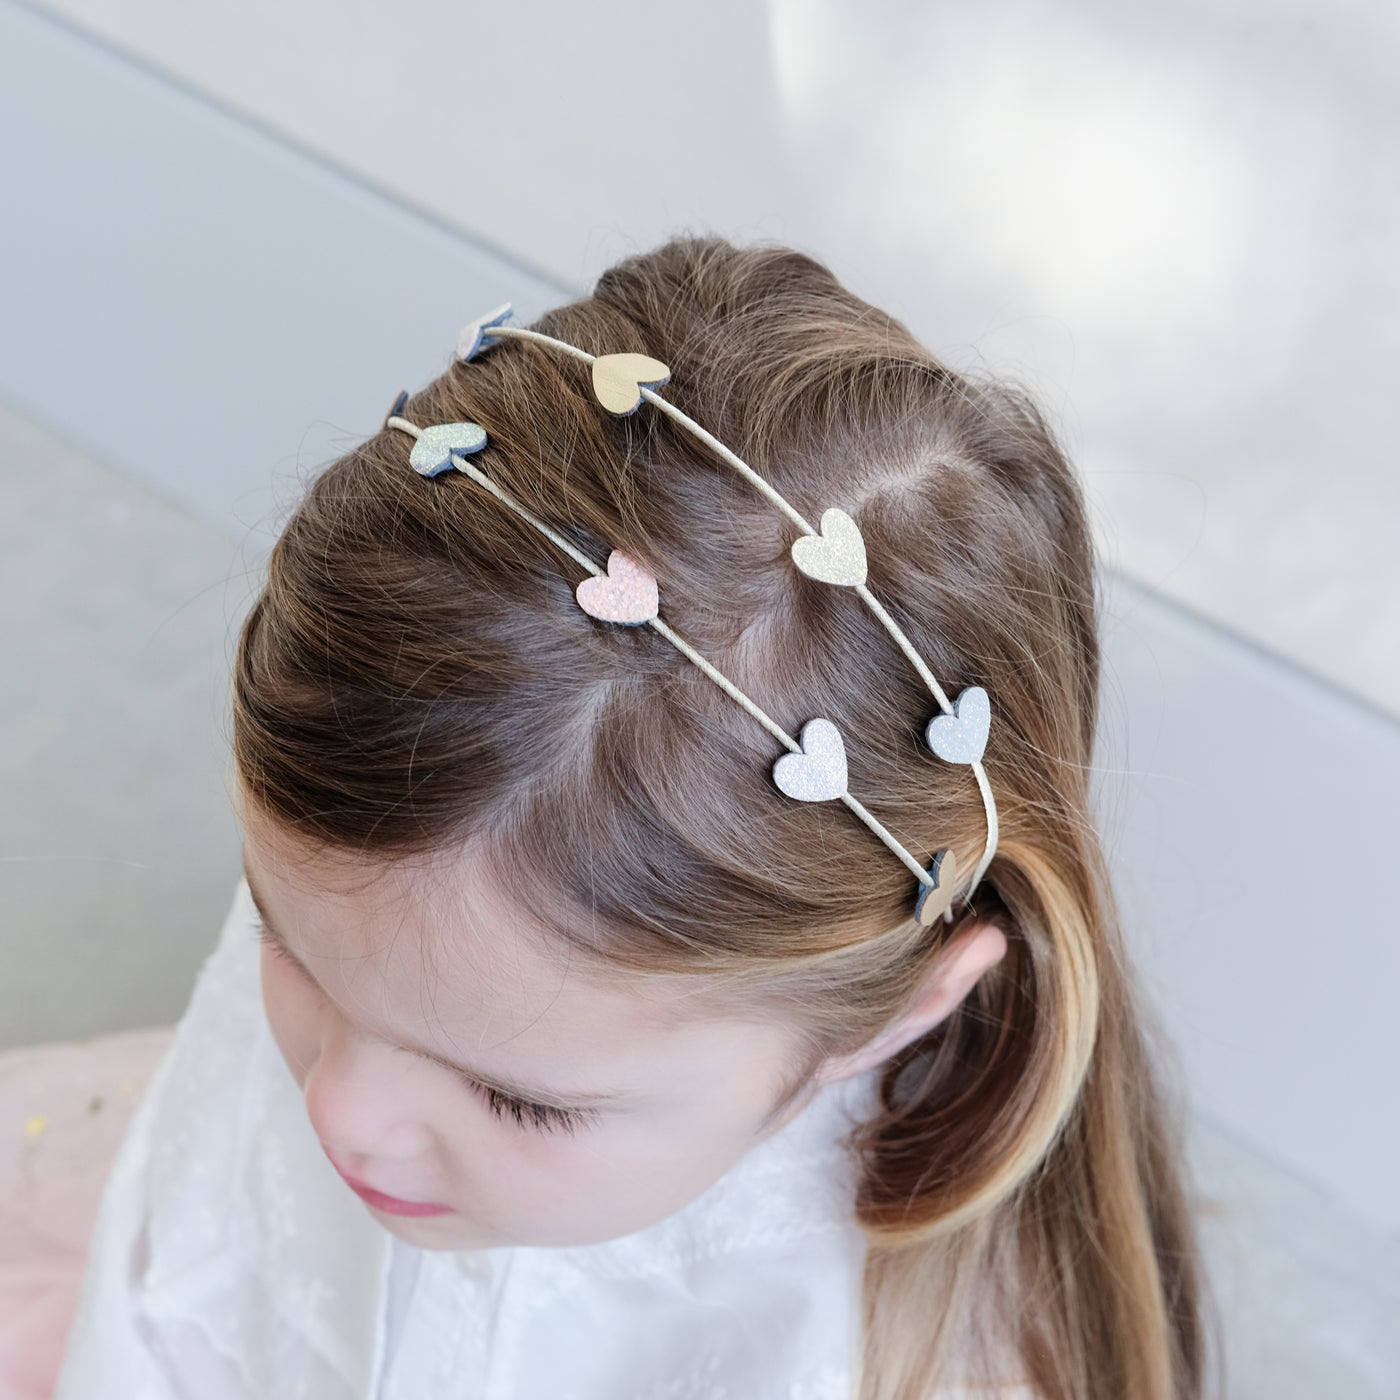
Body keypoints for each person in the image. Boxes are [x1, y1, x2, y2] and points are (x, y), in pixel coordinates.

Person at [49, 238, 1204, 1399]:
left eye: (520, 1099)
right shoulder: (399, 927)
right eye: (280, 938)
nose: (335, 1107)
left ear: (899, 1011)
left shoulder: (909, 1354)